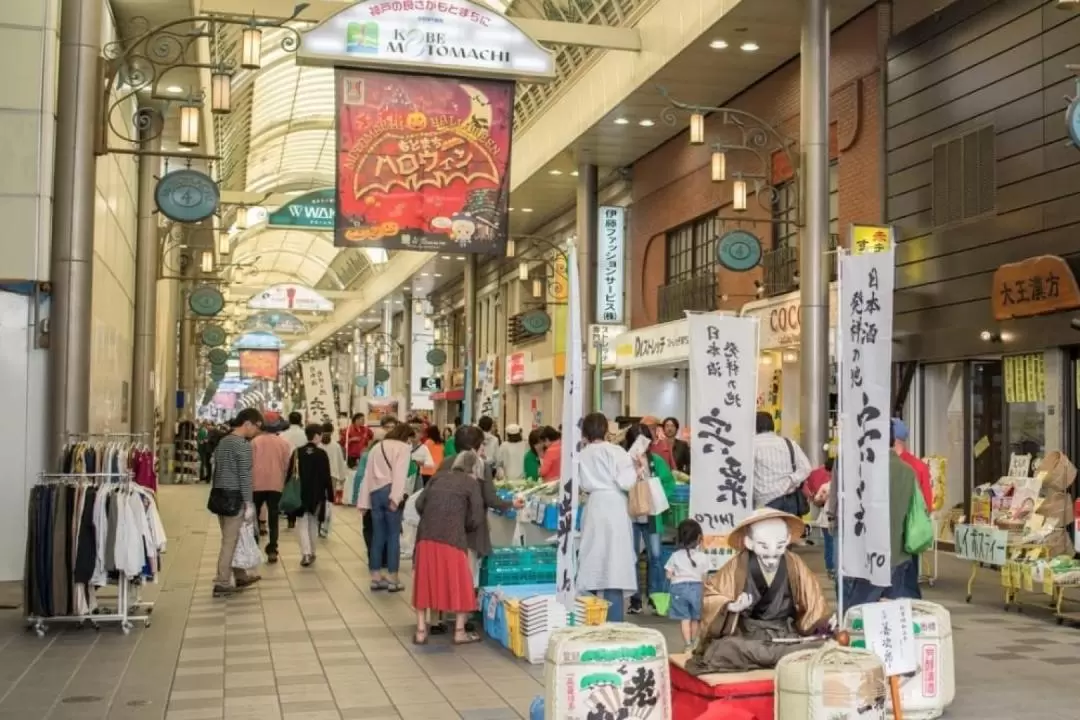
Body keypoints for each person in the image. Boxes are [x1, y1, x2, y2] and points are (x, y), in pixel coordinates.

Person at [689, 509, 829, 674]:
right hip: (748, 636)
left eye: (779, 546)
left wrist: (822, 626)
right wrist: (729, 606)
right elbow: (710, 596)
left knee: (823, 644)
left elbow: (813, 601)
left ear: (788, 540)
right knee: (725, 648)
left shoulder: (795, 564)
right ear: (749, 542)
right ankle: (784, 658)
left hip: (784, 636)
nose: (772, 555)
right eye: (763, 546)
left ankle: (780, 656)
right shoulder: (737, 566)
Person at [841, 421, 919, 606]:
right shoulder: (908, 471)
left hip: (869, 553)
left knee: (859, 610)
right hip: (899, 551)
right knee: (892, 610)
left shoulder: (864, 469)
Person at [412, 451, 486, 644]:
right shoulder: (471, 483)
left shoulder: (437, 477)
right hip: (453, 538)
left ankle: (421, 631)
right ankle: (459, 632)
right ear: (476, 469)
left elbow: (419, 503)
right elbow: (477, 517)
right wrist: (463, 526)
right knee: (461, 582)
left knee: (425, 581)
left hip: (426, 535)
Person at [576, 412, 639, 622]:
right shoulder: (617, 451)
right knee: (616, 562)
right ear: (605, 429)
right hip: (615, 507)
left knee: (592, 559)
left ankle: (589, 617)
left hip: (594, 506)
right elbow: (627, 482)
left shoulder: (582, 454)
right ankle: (614, 621)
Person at [622, 423, 676, 615]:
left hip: (652, 516)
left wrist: (655, 489)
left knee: (655, 556)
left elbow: (669, 482)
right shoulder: (624, 462)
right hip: (632, 517)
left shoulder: (656, 461)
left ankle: (656, 597)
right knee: (633, 558)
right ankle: (635, 600)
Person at [210, 408, 264, 598]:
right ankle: (222, 582)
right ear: (247, 423)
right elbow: (245, 476)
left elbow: (216, 470)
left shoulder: (223, 441)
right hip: (235, 498)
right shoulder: (243, 445)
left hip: (220, 496)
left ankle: (240, 575)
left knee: (233, 537)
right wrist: (249, 503)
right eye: (257, 426)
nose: (257, 431)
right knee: (230, 541)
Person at [358, 422, 416, 592]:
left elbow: (367, 475)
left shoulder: (377, 447)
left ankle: (375, 577)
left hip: (375, 493)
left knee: (378, 536)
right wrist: (396, 498)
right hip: (391, 491)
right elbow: (400, 474)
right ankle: (393, 578)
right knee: (393, 537)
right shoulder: (403, 448)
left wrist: (363, 502)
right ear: (405, 437)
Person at [290, 425, 334, 567]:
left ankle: (306, 553)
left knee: (302, 524)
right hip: (317, 495)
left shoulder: (297, 452)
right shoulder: (321, 454)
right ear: (316, 436)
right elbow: (327, 477)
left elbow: (290, 474)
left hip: (300, 494)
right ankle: (312, 551)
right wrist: (330, 495)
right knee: (314, 523)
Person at [251, 418, 292, 564]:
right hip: (276, 484)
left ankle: (254, 546)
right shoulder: (284, 443)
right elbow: (287, 465)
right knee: (273, 518)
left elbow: (249, 463)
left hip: (256, 484)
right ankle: (273, 549)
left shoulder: (255, 442)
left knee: (253, 516)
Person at [752, 411, 812, 511]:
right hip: (790, 500)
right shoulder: (789, 443)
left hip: (765, 503)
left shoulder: (752, 445)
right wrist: (791, 480)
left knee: (767, 527)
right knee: (791, 527)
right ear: (772, 426)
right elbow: (806, 468)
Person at [666, 519, 710, 653]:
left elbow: (668, 575)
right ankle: (695, 643)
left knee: (684, 618)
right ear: (699, 538)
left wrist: (676, 579)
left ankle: (687, 645)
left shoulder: (675, 556)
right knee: (695, 618)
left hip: (679, 588)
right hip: (696, 588)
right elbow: (705, 577)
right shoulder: (703, 557)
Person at [804, 457, 835, 579]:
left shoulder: (825, 486)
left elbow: (817, 501)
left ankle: (830, 569)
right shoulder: (846, 484)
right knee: (836, 544)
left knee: (829, 544)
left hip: (826, 519)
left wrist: (820, 498)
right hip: (840, 520)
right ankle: (837, 567)